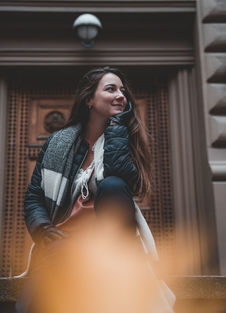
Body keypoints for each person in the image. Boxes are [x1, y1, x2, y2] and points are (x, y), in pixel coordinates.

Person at [14, 66, 175, 313]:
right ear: (89, 99)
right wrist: (44, 232)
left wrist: (117, 127)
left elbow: (125, 181)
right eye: (111, 89)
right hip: (62, 245)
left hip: (108, 246)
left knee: (112, 184)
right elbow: (34, 196)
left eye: (123, 91)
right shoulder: (57, 143)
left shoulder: (127, 139)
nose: (121, 95)